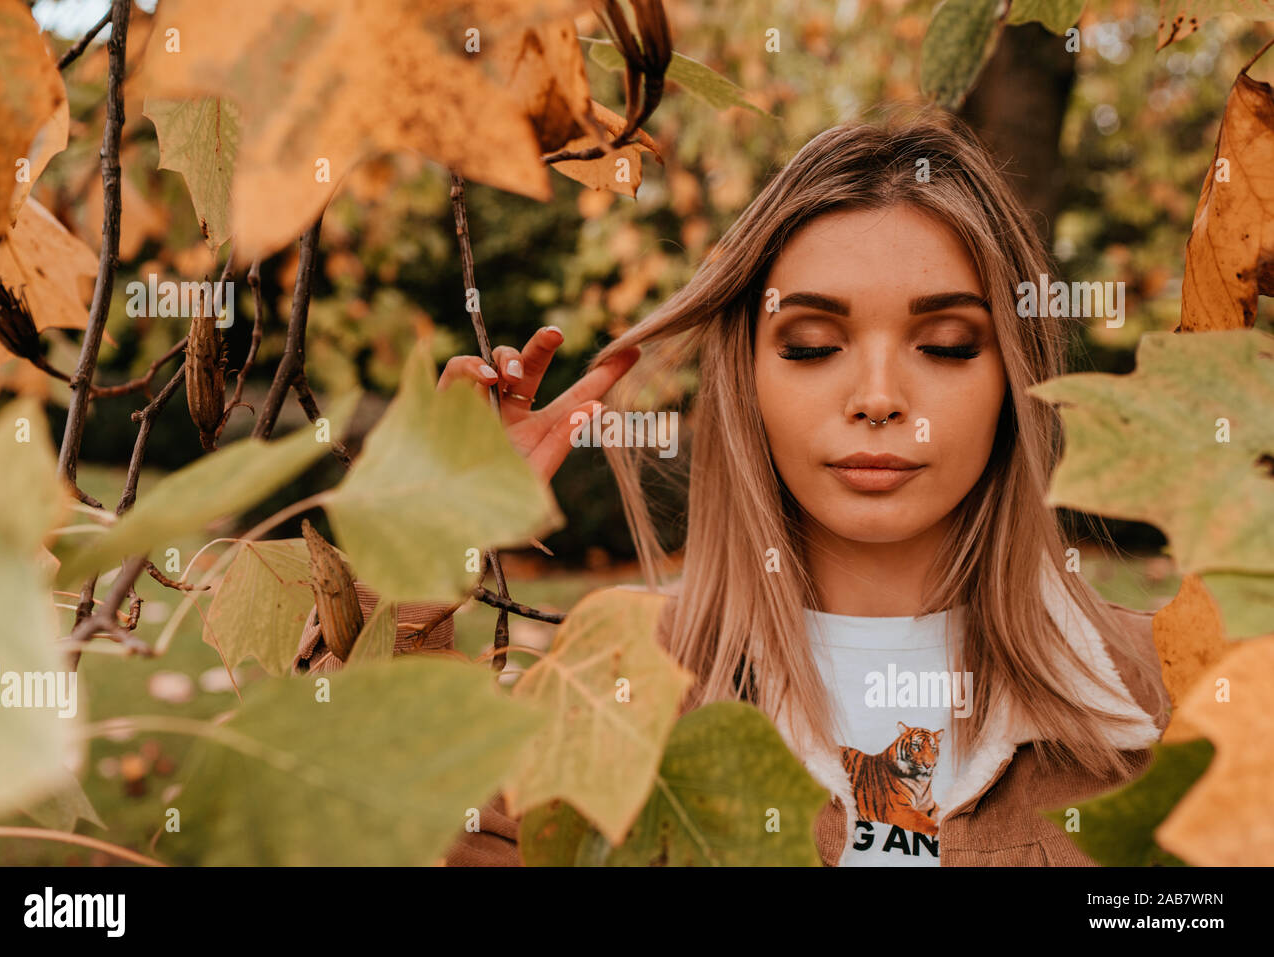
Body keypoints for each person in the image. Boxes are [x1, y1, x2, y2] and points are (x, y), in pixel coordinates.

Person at [296, 110, 1170, 867]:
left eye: (944, 343)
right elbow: (342, 818)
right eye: (811, 345)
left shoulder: (1170, 695)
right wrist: (428, 534)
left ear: (1013, 378)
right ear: (746, 374)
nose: (876, 398)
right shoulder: (610, 691)